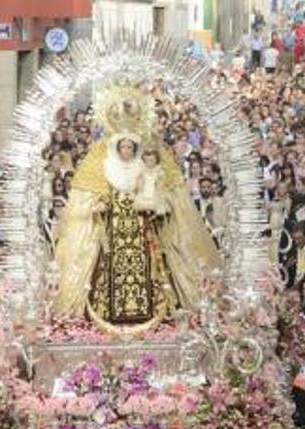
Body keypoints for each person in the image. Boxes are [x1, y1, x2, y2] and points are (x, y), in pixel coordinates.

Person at [52, 88, 221, 327]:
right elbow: (94, 196)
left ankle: (152, 309)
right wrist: (100, 205)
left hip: (143, 227)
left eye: (130, 148)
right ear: (116, 148)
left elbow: (160, 192)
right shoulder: (104, 166)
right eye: (123, 148)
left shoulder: (146, 169)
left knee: (149, 267)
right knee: (109, 269)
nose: (126, 151)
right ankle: (107, 310)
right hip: (114, 230)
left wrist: (156, 204)